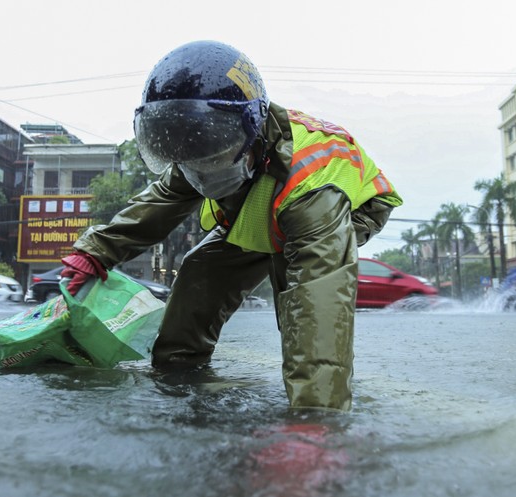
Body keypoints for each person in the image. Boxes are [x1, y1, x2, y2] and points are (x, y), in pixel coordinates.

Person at [60, 40, 403, 411]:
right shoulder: (201, 149)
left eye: (212, 156)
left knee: (298, 294)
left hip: (344, 207)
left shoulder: (311, 184)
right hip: (256, 206)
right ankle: (177, 371)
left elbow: (320, 298)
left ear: (251, 129)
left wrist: (314, 421)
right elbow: (161, 201)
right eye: (189, 159)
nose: (200, 173)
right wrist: (95, 253)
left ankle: (315, 405)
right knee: (200, 271)